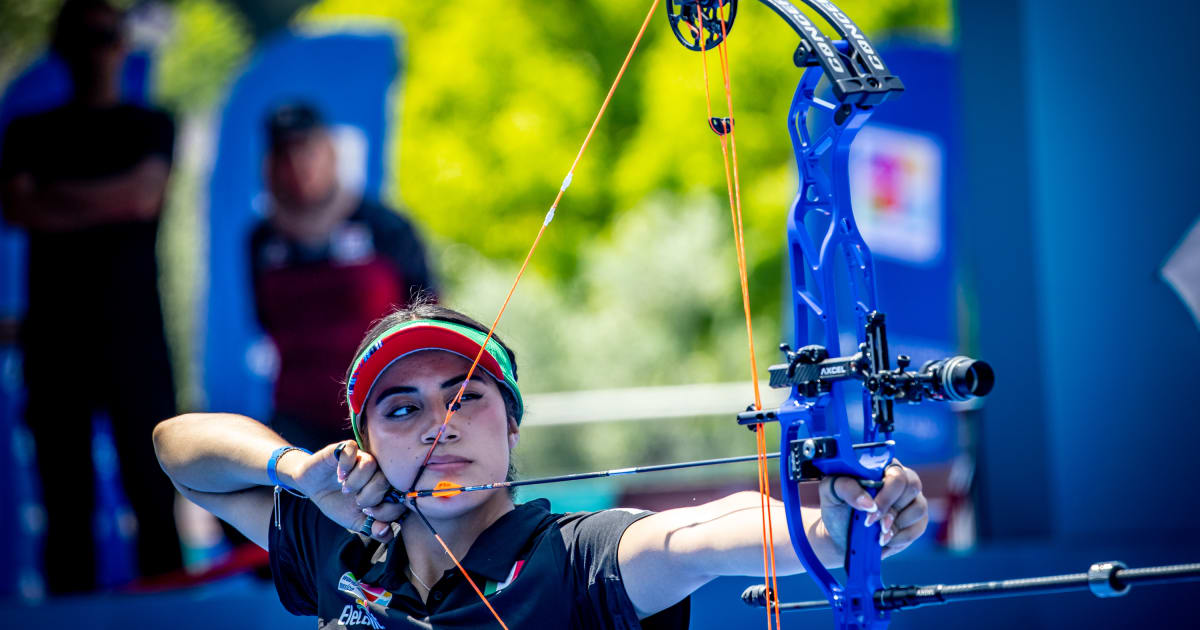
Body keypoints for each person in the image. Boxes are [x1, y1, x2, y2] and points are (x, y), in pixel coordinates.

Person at [154, 302, 928, 628]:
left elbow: (699, 537)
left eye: (467, 397)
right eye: (402, 409)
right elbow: (178, 449)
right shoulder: (339, 539)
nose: (439, 425)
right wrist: (297, 472)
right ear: (366, 444)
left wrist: (831, 533)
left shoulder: (572, 559)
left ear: (513, 425)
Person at [0, 0, 180, 592]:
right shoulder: (29, 130)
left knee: (154, 489)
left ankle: (170, 619)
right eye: (83, 37)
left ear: (123, 45)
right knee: (64, 501)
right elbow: (20, 207)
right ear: (63, 48)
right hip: (55, 342)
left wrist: (58, 198)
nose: (95, 50)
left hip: (135, 338)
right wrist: (106, 200)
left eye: (106, 35)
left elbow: (141, 198)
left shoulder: (152, 123)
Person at [251, 102, 437, 451]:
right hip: (297, 419)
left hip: (384, 408)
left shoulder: (385, 228)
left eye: (308, 151)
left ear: (331, 153)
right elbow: (263, 320)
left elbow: (430, 314)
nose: (298, 167)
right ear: (270, 166)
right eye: (285, 155)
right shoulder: (260, 241)